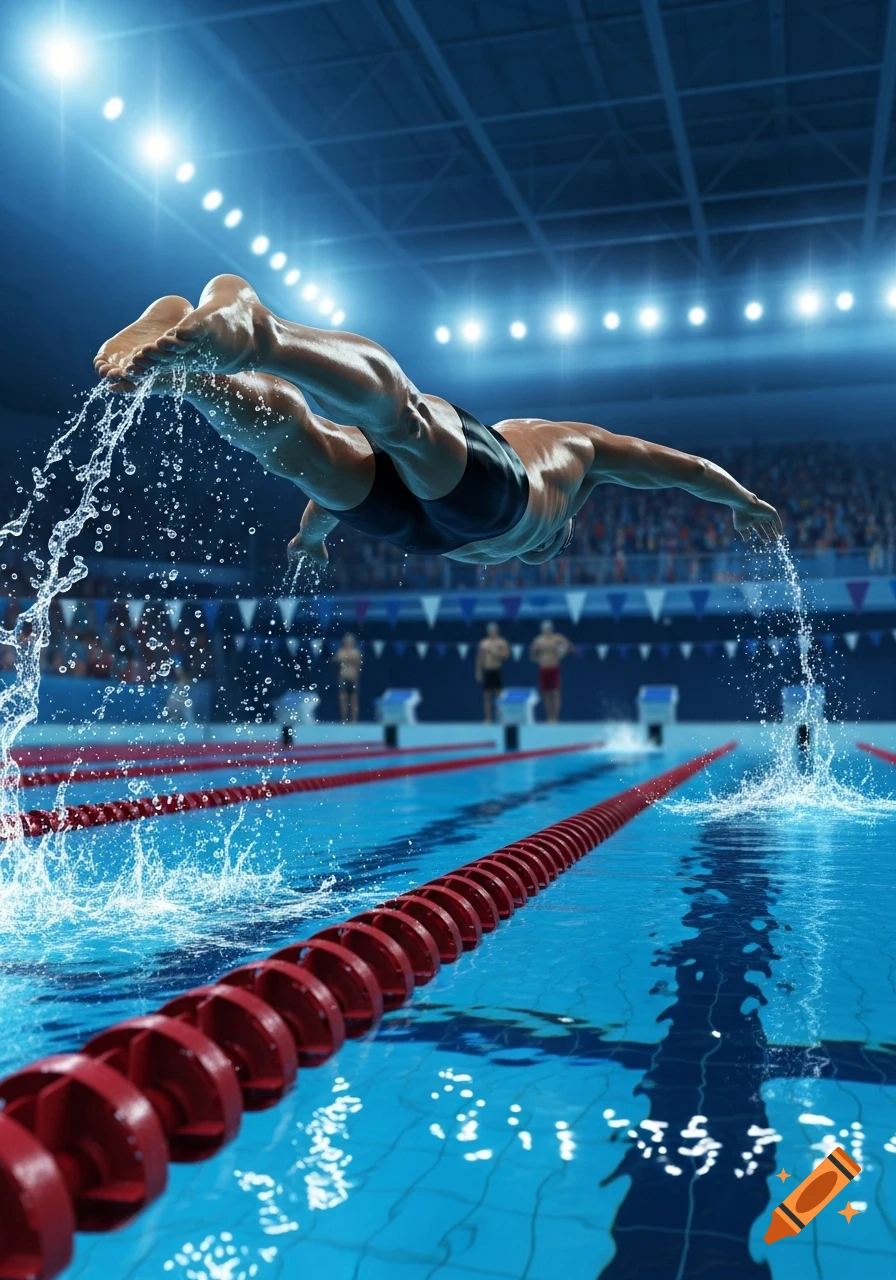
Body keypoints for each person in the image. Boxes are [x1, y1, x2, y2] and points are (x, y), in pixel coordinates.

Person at [94, 275, 784, 578]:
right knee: (402, 419)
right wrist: (743, 500)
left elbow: (321, 510)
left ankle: (191, 377)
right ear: (570, 521)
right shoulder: (568, 453)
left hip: (425, 529)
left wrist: (309, 540)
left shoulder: (529, 513)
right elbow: (677, 468)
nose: (556, 550)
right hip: (486, 499)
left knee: (296, 450)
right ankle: (263, 333)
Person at [529, 620, 572, 723]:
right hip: (543, 669)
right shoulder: (538, 640)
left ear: (551, 629)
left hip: (554, 668)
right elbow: (532, 655)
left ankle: (555, 717)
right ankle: (549, 716)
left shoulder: (557, 638)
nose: (547, 631)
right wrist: (537, 658)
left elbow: (569, 646)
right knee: (546, 694)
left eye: (548, 629)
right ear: (542, 630)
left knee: (556, 693)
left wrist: (561, 653)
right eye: (545, 629)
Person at [475, 622, 509, 723]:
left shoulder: (501, 642)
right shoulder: (483, 643)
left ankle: (500, 718)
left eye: (494, 631)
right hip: (487, 670)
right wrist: (478, 672)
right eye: (490, 631)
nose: (492, 632)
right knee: (487, 695)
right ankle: (488, 719)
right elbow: (479, 659)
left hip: (496, 670)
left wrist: (495, 652)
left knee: (499, 695)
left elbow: (506, 655)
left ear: (497, 631)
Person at [332, 631, 362, 723]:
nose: (348, 643)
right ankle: (344, 719)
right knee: (342, 699)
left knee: (353, 700)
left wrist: (356, 678)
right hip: (343, 678)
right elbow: (334, 662)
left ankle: (353, 720)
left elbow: (358, 667)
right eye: (347, 641)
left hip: (352, 679)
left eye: (350, 641)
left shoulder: (356, 653)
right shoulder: (340, 652)